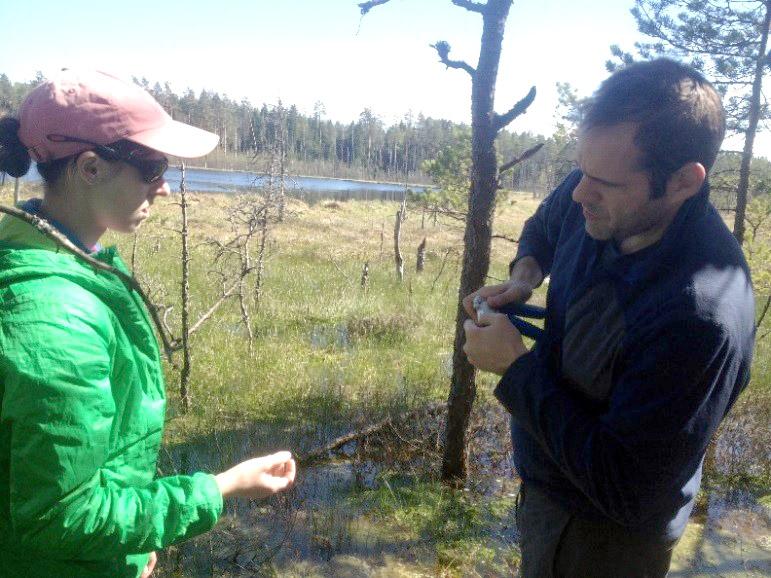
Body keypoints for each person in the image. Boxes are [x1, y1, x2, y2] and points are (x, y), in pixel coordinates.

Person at [462, 58, 755, 577]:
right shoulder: (597, 192)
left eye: (603, 183)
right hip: (550, 490)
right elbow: (545, 227)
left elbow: (629, 491)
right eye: (582, 171)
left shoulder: (698, 314)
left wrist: (517, 369)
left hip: (606, 541)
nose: (579, 193)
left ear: (685, 181)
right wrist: (525, 275)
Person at [0, 69, 297, 578]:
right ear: (90, 168)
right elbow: (63, 516)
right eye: (152, 167)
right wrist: (220, 487)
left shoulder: (65, 258)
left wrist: (130, 546)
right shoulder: (57, 320)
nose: (163, 189)